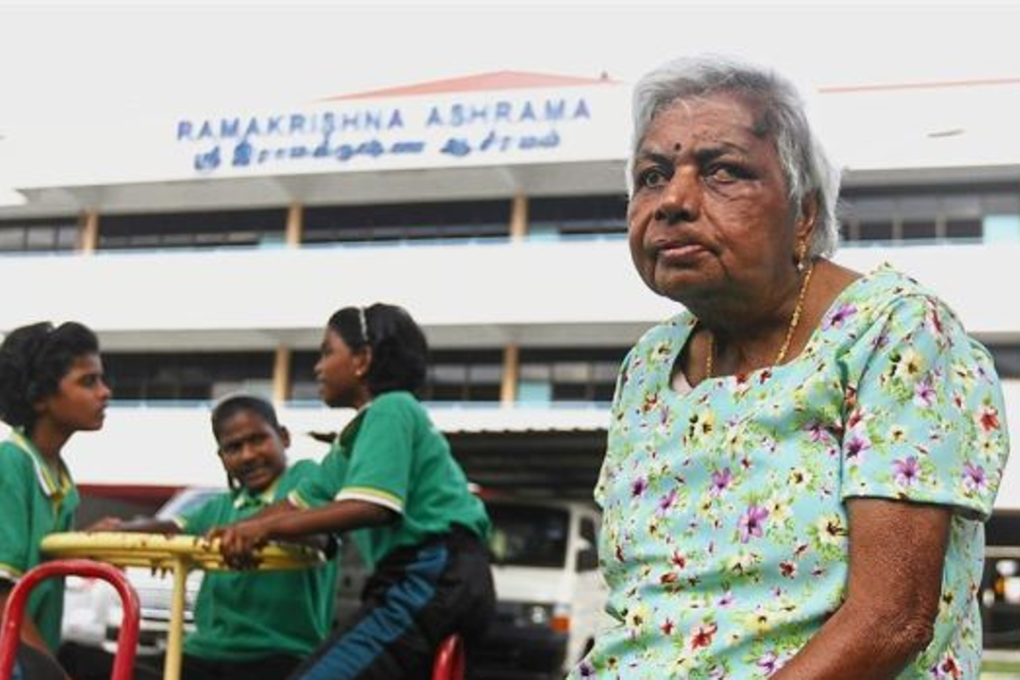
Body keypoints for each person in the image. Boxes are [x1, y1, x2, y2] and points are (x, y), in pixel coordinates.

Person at [570, 56, 1011, 680]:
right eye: (652, 175)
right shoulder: (649, 365)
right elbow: (641, 606)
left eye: (722, 171)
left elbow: (891, 619)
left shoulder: (894, 333)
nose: (672, 200)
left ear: (803, 213)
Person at [215, 303, 496, 680]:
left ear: (362, 359)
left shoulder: (391, 409)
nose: (318, 366)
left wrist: (265, 530)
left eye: (328, 352)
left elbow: (371, 506)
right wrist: (233, 531)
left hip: (434, 570)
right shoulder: (351, 443)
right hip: (424, 575)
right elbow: (293, 504)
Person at [90, 393, 338, 680]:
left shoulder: (304, 479)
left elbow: (318, 532)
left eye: (258, 440)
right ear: (222, 457)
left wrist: (259, 531)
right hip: (204, 653)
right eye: (234, 447)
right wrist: (118, 531)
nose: (248, 454)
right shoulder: (221, 506)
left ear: (283, 437)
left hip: (280, 653)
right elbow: (174, 528)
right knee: (83, 660)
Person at [0, 321, 111, 680]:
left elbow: (39, 559)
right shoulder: (11, 464)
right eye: (88, 381)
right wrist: (53, 673)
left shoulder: (59, 478)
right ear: (39, 397)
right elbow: (3, 597)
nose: (105, 392)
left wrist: (83, 549)